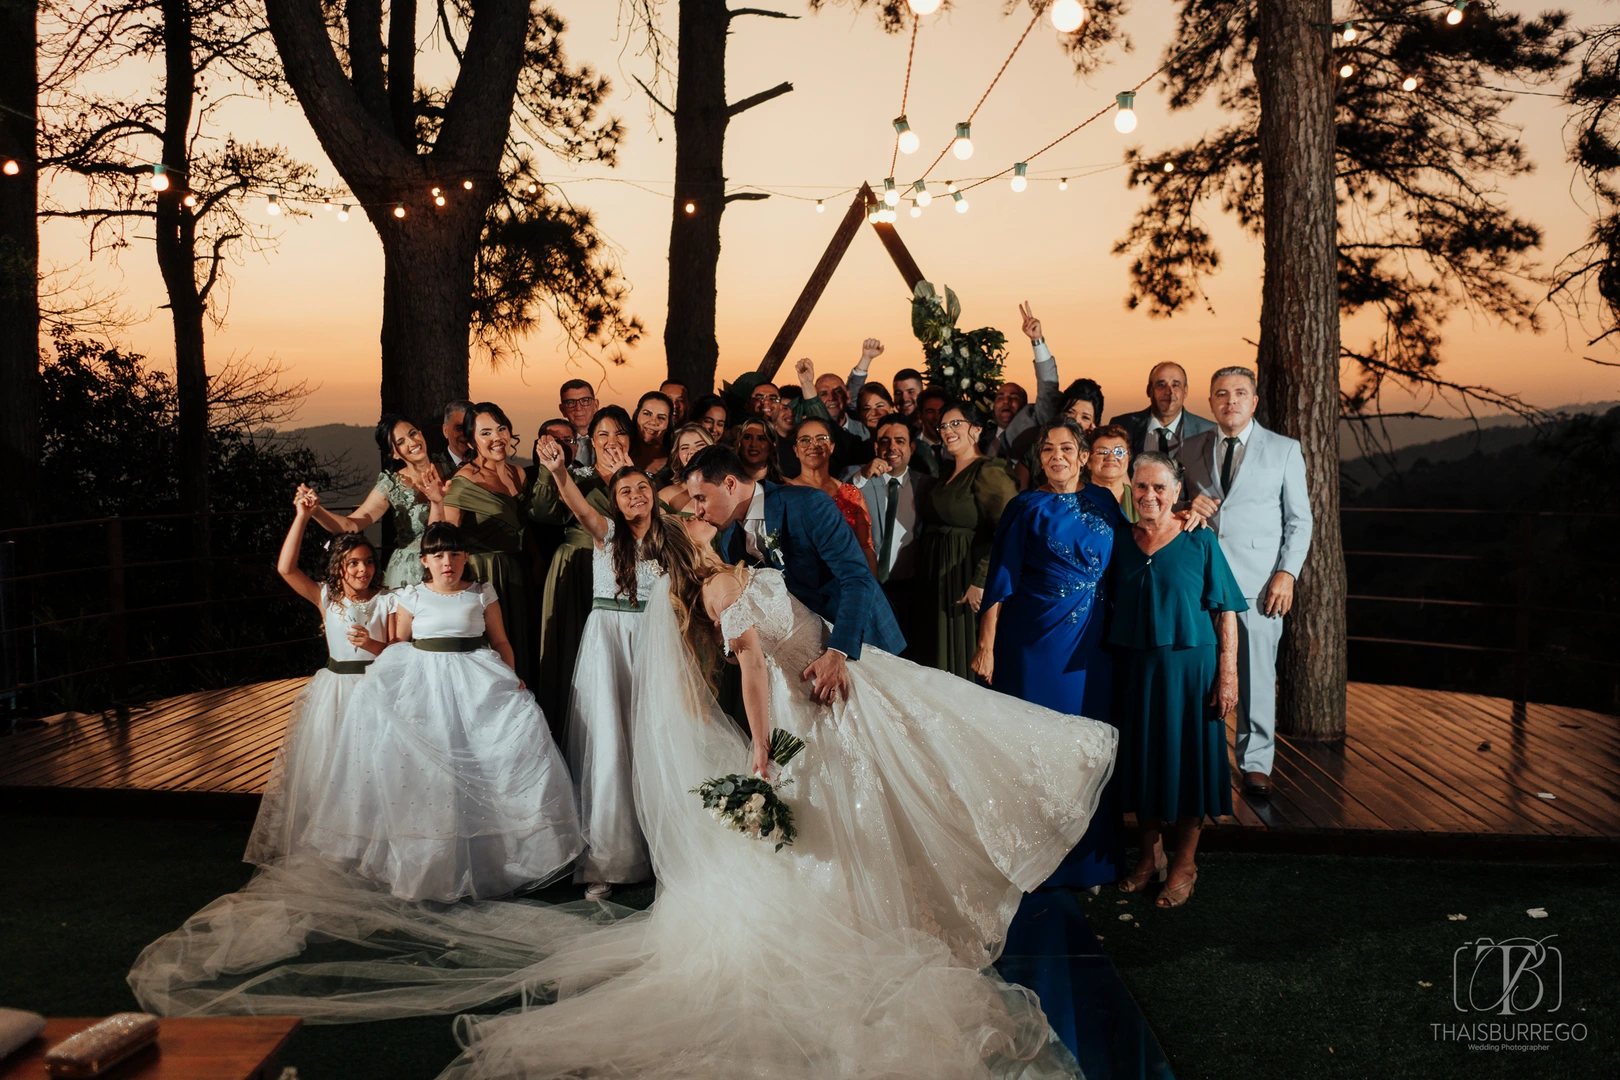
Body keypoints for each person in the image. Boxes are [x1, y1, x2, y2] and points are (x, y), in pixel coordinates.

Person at [300, 522, 583, 902]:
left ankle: (493, 860)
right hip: (425, 683)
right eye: (437, 555)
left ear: (465, 557)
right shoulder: (412, 596)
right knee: (428, 771)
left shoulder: (482, 592)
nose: (446, 561)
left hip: (475, 678)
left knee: (486, 760)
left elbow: (499, 640)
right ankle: (427, 862)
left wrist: (511, 679)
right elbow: (399, 645)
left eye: (453, 553)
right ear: (424, 561)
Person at [536, 436, 704, 902]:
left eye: (642, 490)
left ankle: (669, 853)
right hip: (608, 644)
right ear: (614, 500)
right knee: (609, 744)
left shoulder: (673, 540)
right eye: (625, 491)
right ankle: (609, 859)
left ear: (654, 496)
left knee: (658, 740)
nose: (635, 497)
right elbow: (578, 506)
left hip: (656, 644)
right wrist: (558, 472)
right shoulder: (606, 534)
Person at [973, 419, 1126, 891]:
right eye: (1048, 451)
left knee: (1088, 748)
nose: (1057, 456)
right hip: (1034, 642)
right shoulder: (1025, 506)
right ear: (1039, 459)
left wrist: (1188, 516)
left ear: (1084, 457)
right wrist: (986, 647)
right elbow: (1001, 580)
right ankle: (1031, 860)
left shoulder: (1105, 502)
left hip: (1092, 647)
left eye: (1067, 449)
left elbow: (1138, 553)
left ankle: (1087, 865)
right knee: (1034, 749)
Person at [1110, 452, 1245, 909]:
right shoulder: (1120, 541)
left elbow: (1226, 610)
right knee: (1143, 764)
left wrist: (1228, 674)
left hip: (1193, 671)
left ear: (1176, 492)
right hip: (1139, 670)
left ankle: (1185, 862)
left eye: (1160, 487)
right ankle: (1150, 859)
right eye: (1142, 487)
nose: (1150, 496)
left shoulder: (1199, 539)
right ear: (1131, 488)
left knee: (1190, 764)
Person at [682, 444, 904, 702]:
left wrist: (837, 652)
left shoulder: (808, 503)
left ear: (730, 484)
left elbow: (857, 578)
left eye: (701, 498)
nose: (697, 510)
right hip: (809, 659)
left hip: (860, 638)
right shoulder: (729, 540)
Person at [1181, 366, 1313, 798]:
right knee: (1201, 671)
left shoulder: (1284, 450)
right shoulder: (1188, 449)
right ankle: (1203, 756)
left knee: (1257, 676)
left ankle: (1255, 763)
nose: (1230, 401)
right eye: (1221, 394)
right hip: (1200, 581)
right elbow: (1170, 504)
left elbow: (1299, 520)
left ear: (1253, 402)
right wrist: (1185, 504)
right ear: (1212, 402)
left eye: (1240, 393)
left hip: (1259, 586)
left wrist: (1286, 573)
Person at [244, 493, 393, 867]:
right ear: (339, 567)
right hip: (335, 692)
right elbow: (285, 569)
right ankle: (332, 844)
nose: (363, 570)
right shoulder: (327, 597)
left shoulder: (388, 600)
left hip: (374, 691)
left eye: (369, 562)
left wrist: (373, 644)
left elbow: (397, 649)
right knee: (330, 767)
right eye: (354, 564)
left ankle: (371, 845)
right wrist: (302, 517)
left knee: (372, 769)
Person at [532, 406, 632, 731]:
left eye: (619, 433)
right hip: (576, 566)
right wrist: (553, 471)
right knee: (571, 651)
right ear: (592, 438)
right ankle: (565, 731)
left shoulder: (641, 479)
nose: (611, 441)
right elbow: (544, 512)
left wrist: (627, 477)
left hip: (621, 575)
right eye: (603, 434)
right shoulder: (576, 476)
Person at [914, 402, 1018, 678]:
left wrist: (982, 580)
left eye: (955, 423)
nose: (947, 430)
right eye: (943, 426)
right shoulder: (946, 472)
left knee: (959, 659)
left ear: (977, 429)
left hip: (965, 578)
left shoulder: (989, 470)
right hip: (936, 577)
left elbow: (1007, 529)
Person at [441, 403, 538, 689]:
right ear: (471, 441)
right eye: (486, 432)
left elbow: (528, 527)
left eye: (501, 428)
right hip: (483, 576)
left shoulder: (518, 474)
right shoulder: (462, 482)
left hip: (519, 575)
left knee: (521, 650)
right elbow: (448, 539)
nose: (497, 437)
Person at [304, 415, 447, 587]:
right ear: (393, 453)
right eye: (401, 441)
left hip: (453, 562)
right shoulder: (391, 485)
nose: (412, 442)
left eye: (413, 433)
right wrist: (316, 511)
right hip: (411, 574)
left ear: (421, 434)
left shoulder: (452, 471)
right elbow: (351, 525)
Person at [850, 416, 934, 654]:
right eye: (885, 441)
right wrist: (864, 476)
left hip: (911, 591)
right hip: (868, 589)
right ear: (876, 447)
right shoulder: (857, 477)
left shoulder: (926, 485)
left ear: (911, 447)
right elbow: (841, 499)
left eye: (900, 441)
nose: (892, 447)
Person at [787, 416, 877, 576]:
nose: (813, 445)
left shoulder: (851, 494)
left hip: (846, 583)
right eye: (805, 440)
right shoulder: (784, 495)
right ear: (795, 450)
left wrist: (873, 593)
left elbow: (866, 548)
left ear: (832, 446)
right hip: (801, 585)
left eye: (821, 438)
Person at [979, 302, 1060, 460]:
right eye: (1000, 397)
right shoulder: (980, 435)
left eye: (1014, 397)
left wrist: (1037, 340)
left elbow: (1048, 389)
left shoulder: (1034, 419)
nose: (1006, 401)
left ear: (1024, 403)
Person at [1108, 362, 1216, 460]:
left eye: (1175, 385)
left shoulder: (1209, 431)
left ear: (1186, 390)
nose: (1169, 392)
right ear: (1149, 390)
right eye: (1161, 385)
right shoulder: (1123, 425)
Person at [1011, 379, 1105, 488]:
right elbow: (1018, 493)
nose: (1075, 421)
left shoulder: (1099, 456)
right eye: (1070, 412)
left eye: (1085, 417)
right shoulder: (1038, 447)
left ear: (1094, 424)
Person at [836, 336, 887, 438]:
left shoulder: (906, 432)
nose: (874, 413)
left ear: (892, 408)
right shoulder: (857, 437)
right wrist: (866, 358)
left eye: (880, 406)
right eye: (866, 408)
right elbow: (851, 398)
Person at [656, 423, 715, 511]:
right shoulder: (666, 496)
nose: (691, 451)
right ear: (678, 456)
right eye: (684, 448)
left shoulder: (727, 488)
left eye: (699, 445)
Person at [1087, 424, 1139, 523]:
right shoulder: (1075, 500)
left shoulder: (1142, 498)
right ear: (1088, 461)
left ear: (1128, 459)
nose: (1111, 457)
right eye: (1102, 452)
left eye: (1119, 452)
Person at [630, 390, 674, 478]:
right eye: (647, 414)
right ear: (636, 415)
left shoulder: (675, 461)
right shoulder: (621, 453)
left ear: (669, 423)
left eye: (661, 417)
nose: (653, 422)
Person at [729, 416, 783, 484]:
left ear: (772, 446)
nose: (753, 444)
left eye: (761, 439)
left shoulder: (784, 488)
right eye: (748, 438)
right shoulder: (727, 483)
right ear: (739, 443)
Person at [558, 378, 598, 468]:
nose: (578, 408)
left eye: (585, 400)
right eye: (570, 403)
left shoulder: (610, 441)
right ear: (562, 409)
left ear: (596, 405)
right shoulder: (556, 444)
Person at [434, 398, 474, 477]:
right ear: (445, 431)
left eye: (470, 428)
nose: (466, 434)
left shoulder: (487, 463)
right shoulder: (434, 469)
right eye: (459, 428)